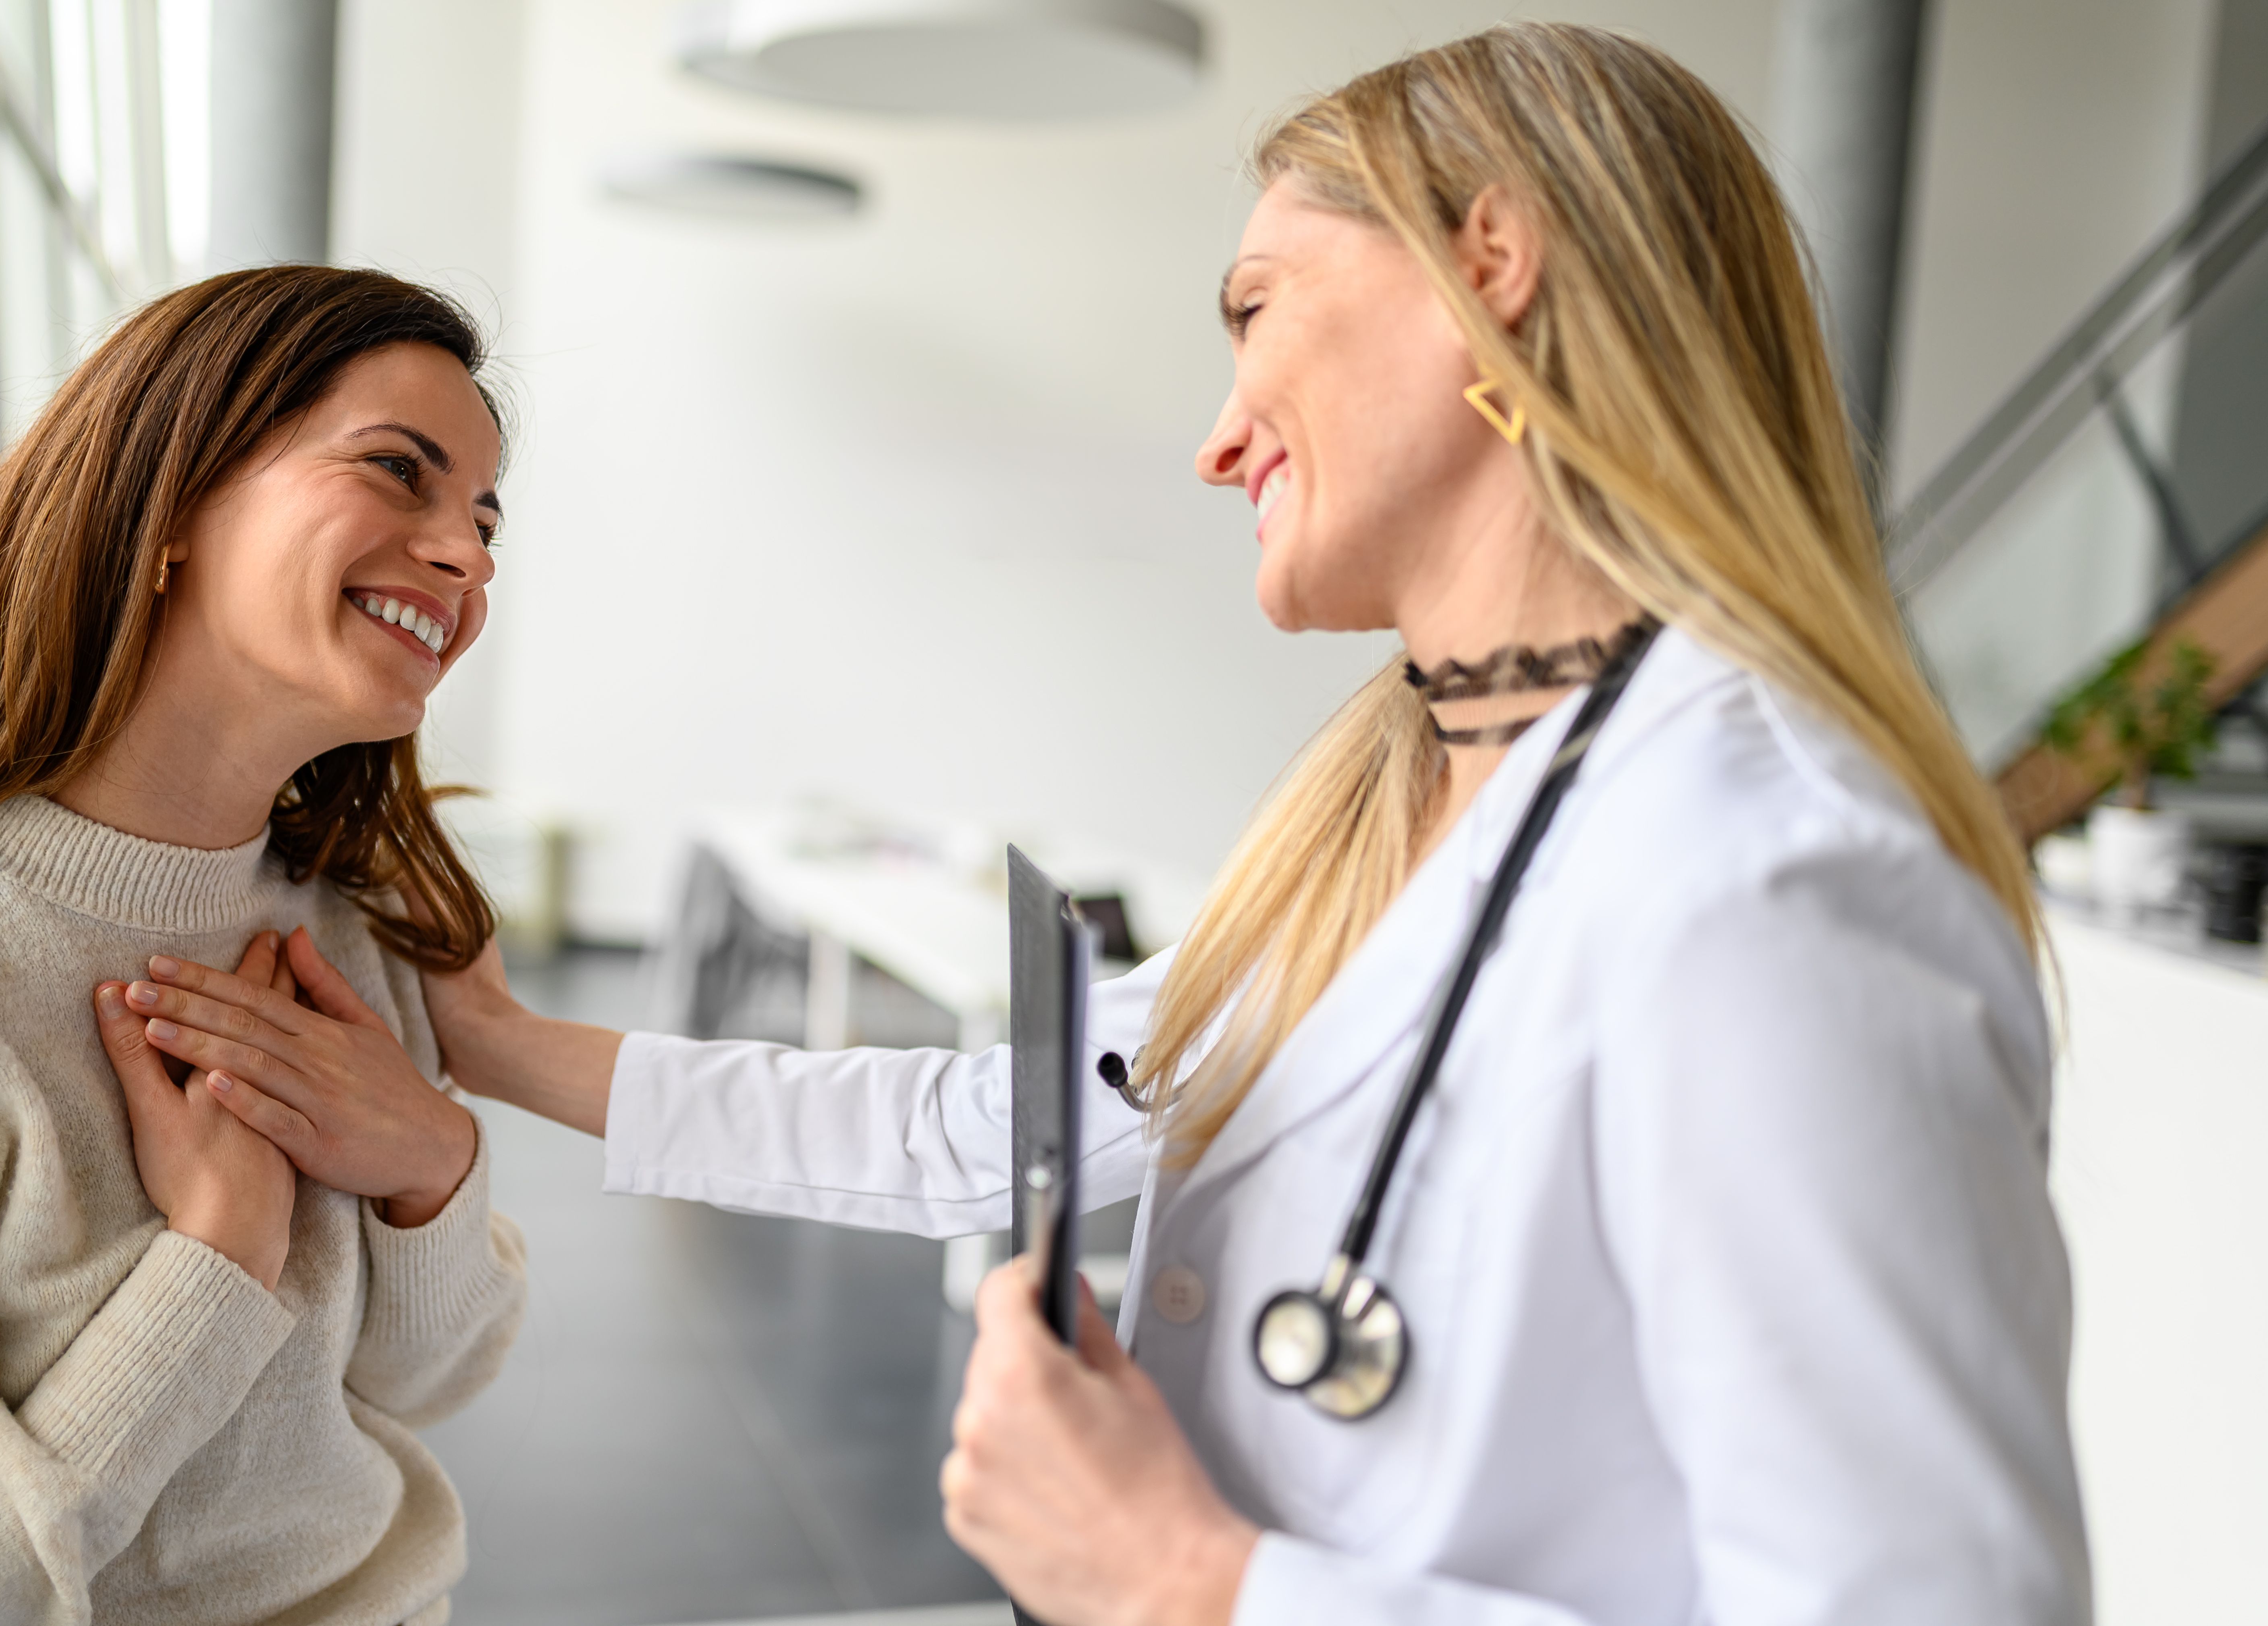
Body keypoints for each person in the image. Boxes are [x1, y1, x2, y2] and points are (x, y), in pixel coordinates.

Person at [125, 24, 2088, 1626]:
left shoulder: (1775, 881)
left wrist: (1194, 1581)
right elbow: (1001, 1121)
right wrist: (496, 1044)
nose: (1222, 429)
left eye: (1257, 308)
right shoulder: (1401, 797)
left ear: (1495, 260)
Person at [0, 266, 527, 1624]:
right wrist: (213, 1265)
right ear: (173, 504)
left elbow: (424, 1384)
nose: (471, 558)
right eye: (400, 473)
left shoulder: (340, 922)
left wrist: (432, 1168)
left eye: (486, 521)